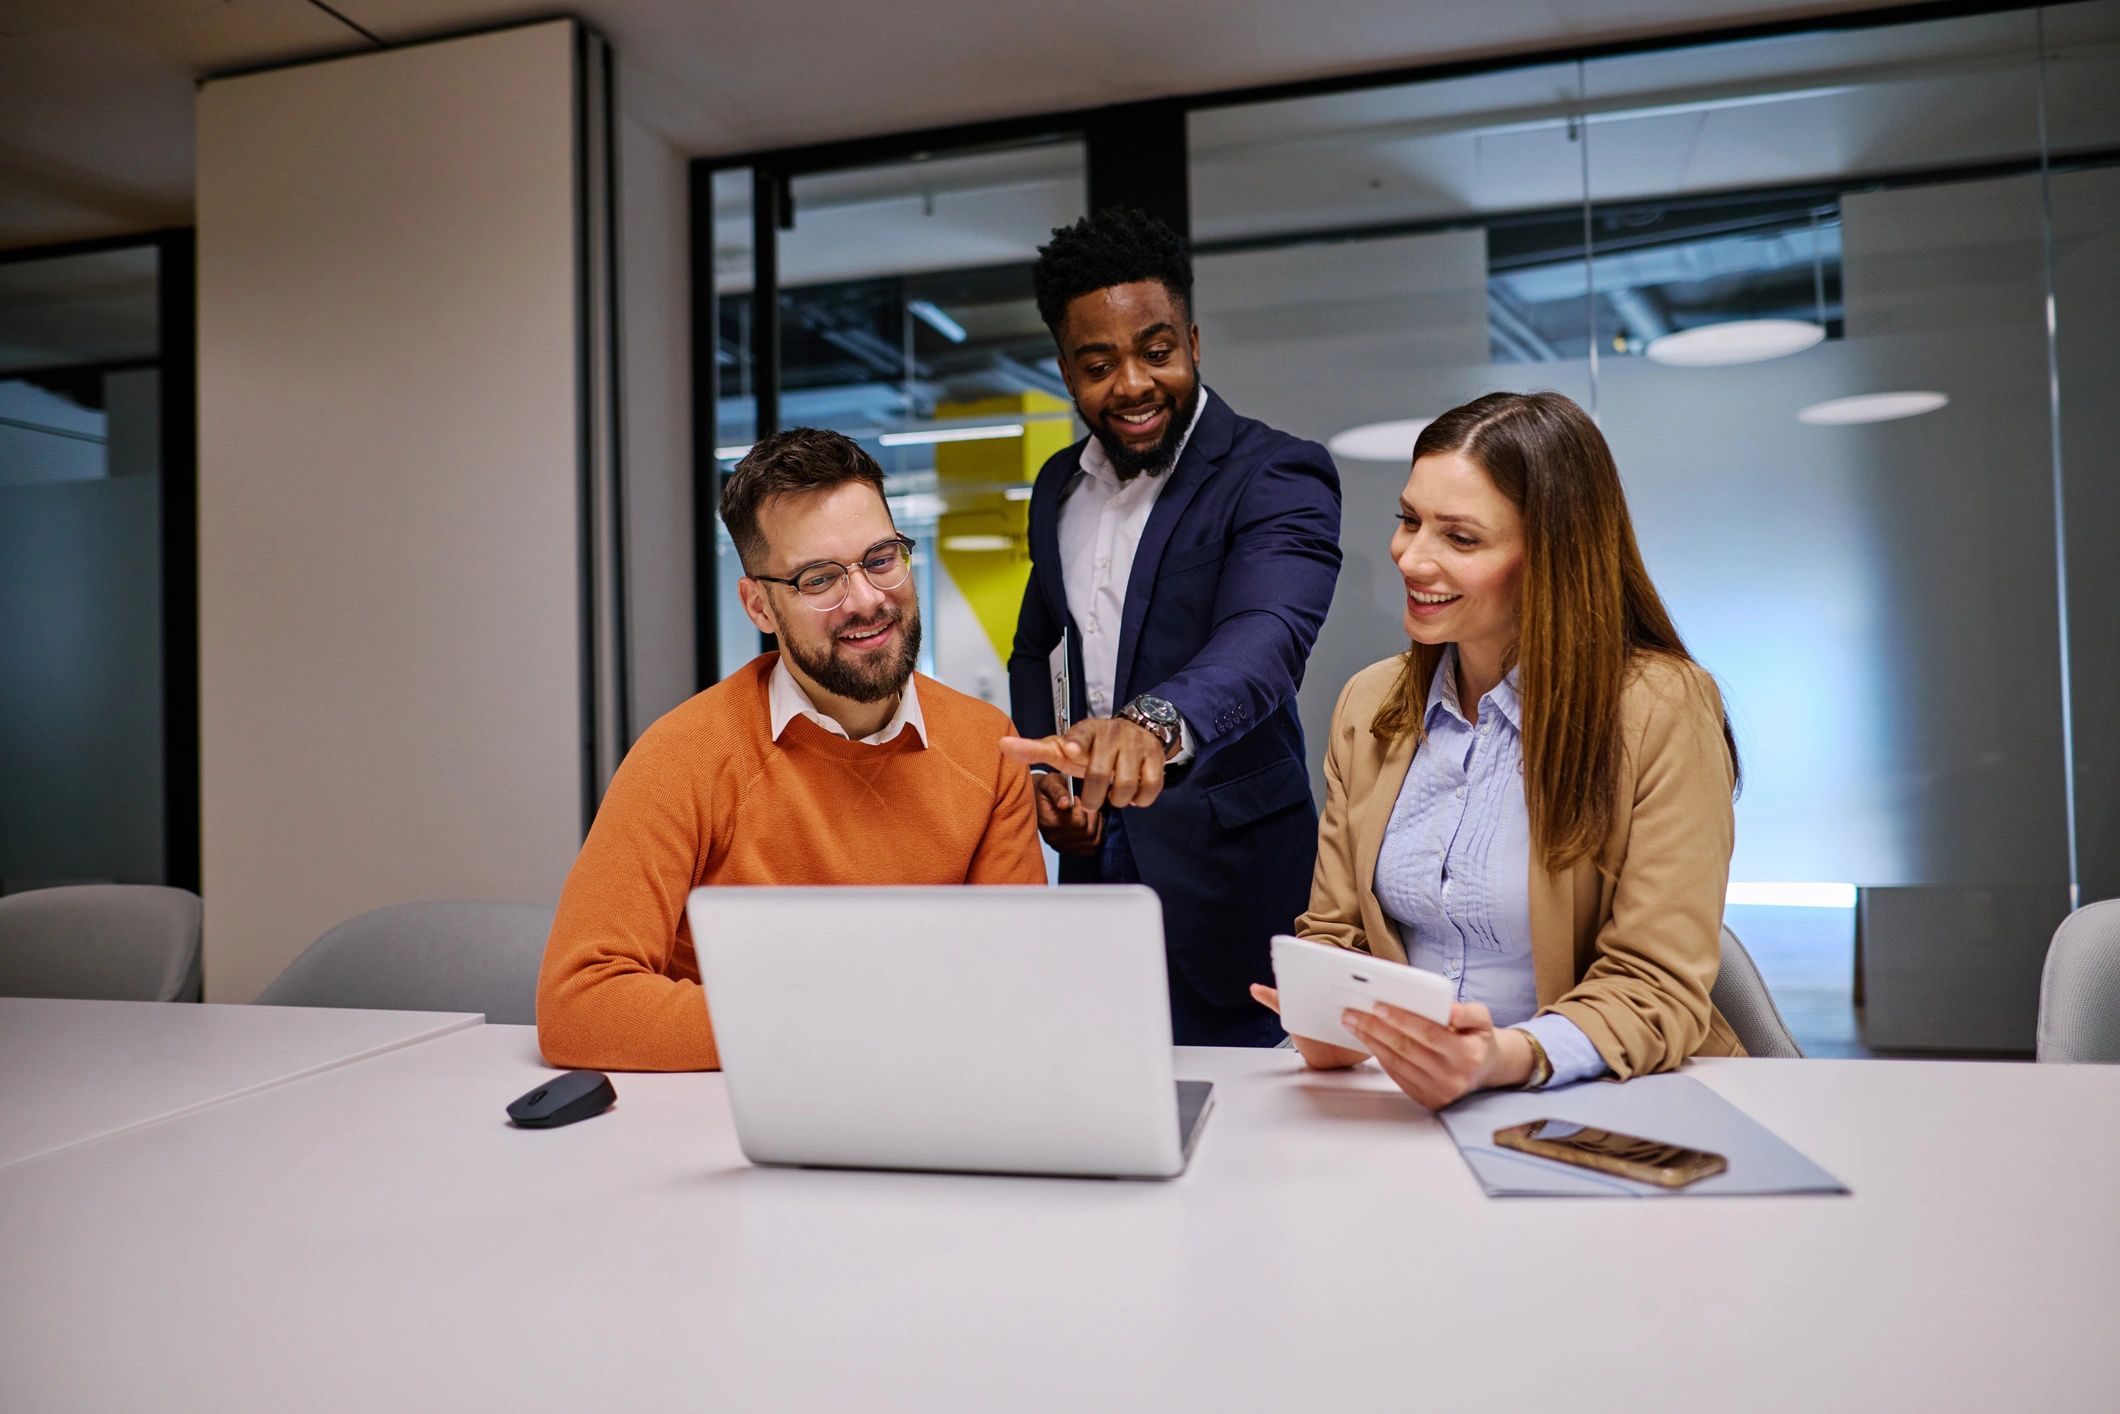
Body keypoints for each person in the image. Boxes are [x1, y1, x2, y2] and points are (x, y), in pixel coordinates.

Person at [1251, 390, 1745, 1105]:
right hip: (1404, 1101)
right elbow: (1334, 933)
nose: (1411, 558)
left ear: (1552, 554)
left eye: (1460, 539)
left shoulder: (1660, 708)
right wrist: (1328, 1019)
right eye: (1409, 520)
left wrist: (1500, 1058)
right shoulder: (1370, 703)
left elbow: (1655, 985)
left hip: (1603, 1096)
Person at [537, 428, 1046, 1071]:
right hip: (723, 1114)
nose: (867, 600)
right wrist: (838, 1025)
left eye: (881, 558)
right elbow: (580, 1006)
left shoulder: (986, 747)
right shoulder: (685, 755)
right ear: (759, 607)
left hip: (923, 1096)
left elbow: (1019, 986)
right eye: (819, 578)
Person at [1003, 208, 1342, 1047]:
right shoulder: (1056, 487)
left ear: (1192, 341)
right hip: (1095, 868)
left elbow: (1266, 636)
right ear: (1066, 371)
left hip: (1231, 878)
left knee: (1252, 1114)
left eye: (1156, 352)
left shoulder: (1275, 471)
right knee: (1098, 1077)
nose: (1132, 385)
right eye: (1098, 365)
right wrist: (1050, 779)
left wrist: (1150, 725)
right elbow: (1038, 646)